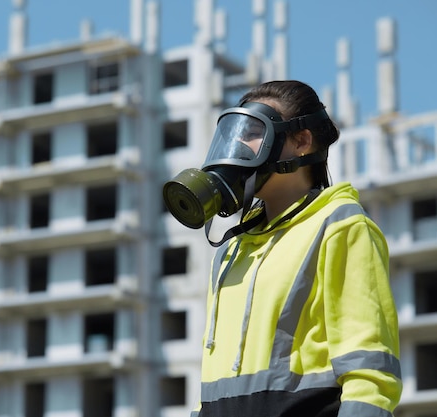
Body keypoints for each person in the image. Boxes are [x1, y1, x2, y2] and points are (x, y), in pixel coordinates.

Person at [163, 80, 402, 417]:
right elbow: (212, 383)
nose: (237, 145)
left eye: (252, 132)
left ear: (302, 141)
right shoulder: (232, 252)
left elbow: (369, 370)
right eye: (233, 133)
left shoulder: (340, 226)